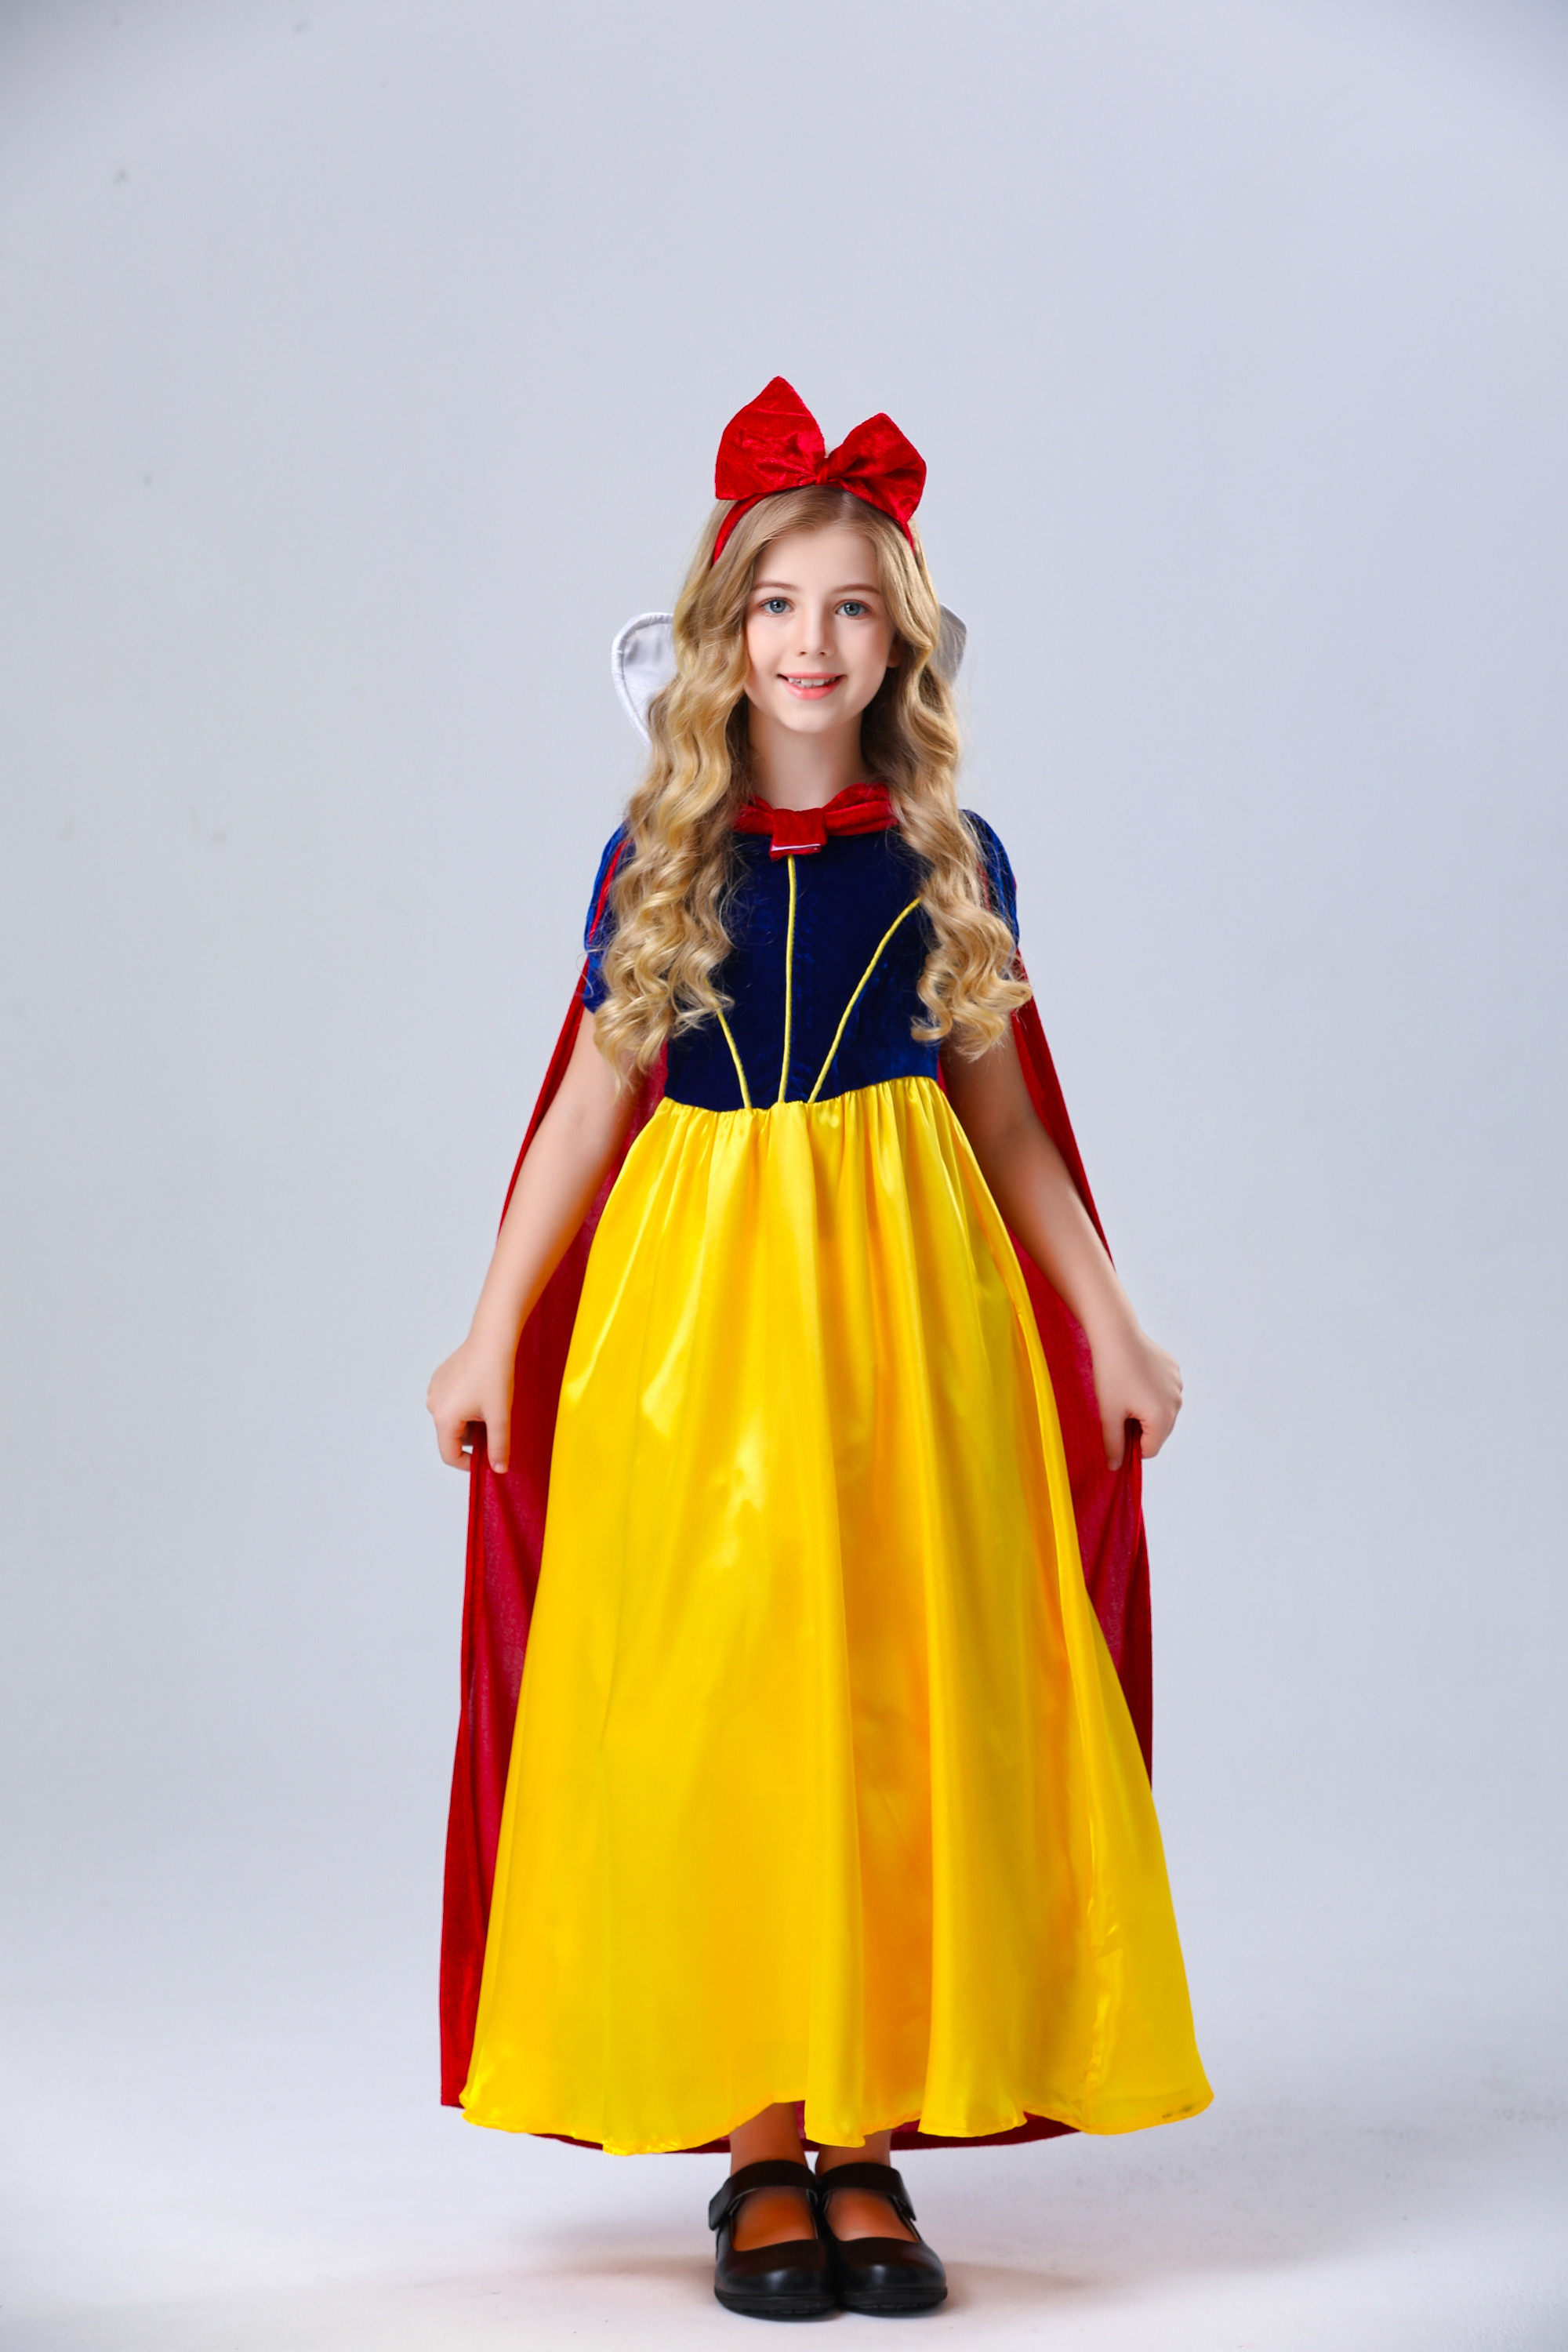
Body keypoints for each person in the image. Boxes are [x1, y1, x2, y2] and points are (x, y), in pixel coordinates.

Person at [427, 378, 1210, 2321]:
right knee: (726, 1711)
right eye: (777, 605)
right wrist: (488, 1332)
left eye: (851, 607)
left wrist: (1111, 1325)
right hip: (696, 1331)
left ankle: (863, 2139)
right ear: (721, 633)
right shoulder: (661, 860)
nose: (811, 641)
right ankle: (758, 2150)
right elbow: (586, 1113)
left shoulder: (951, 859)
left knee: (883, 1702)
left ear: (899, 643)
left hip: (905, 1330)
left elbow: (1008, 1121)